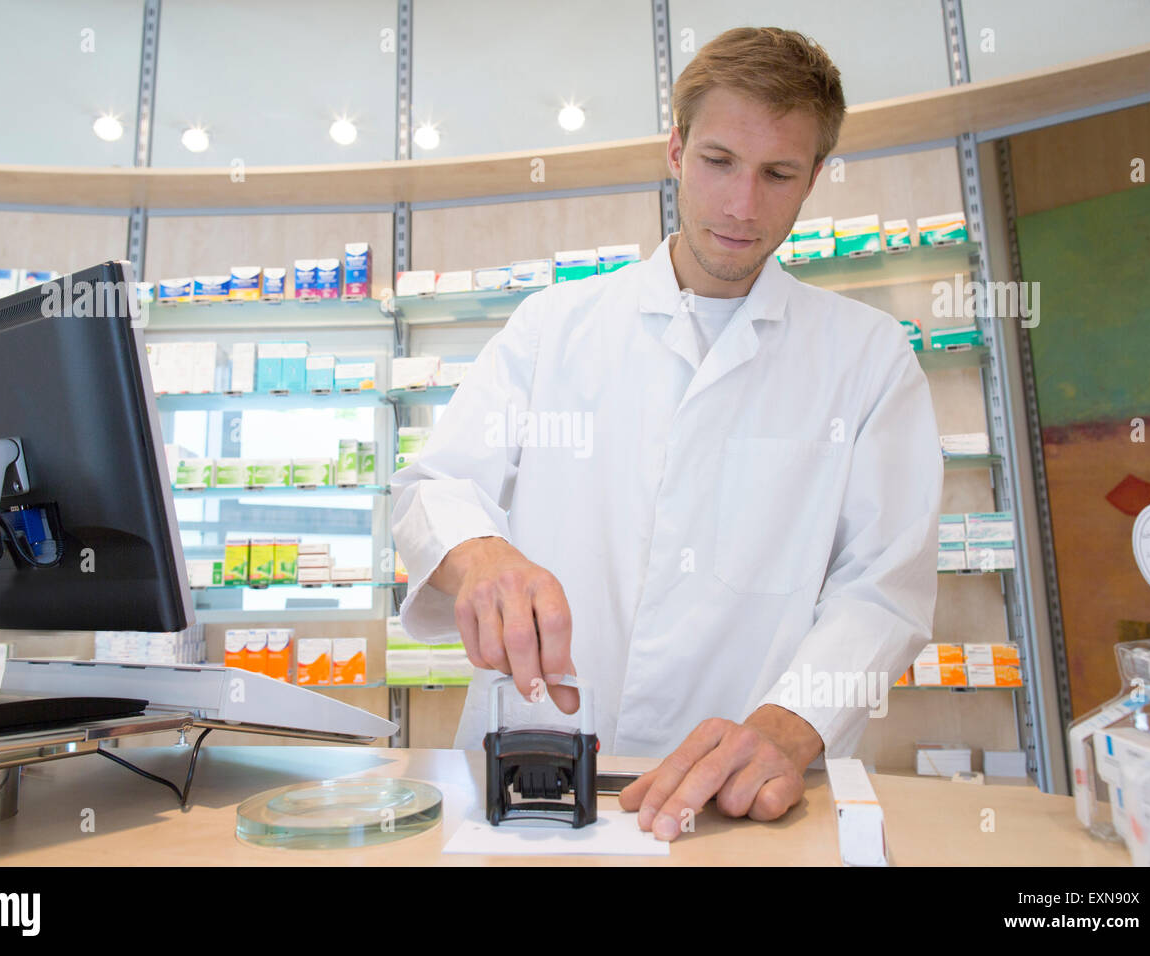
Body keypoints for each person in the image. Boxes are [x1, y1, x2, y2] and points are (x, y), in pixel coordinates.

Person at [391, 26, 942, 841]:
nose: (742, 205)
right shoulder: (556, 325)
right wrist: (482, 557)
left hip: (736, 802)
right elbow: (436, 487)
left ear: (816, 178)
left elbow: (883, 588)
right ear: (676, 150)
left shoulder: (866, 355)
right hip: (536, 779)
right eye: (719, 161)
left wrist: (789, 726)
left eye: (779, 173)